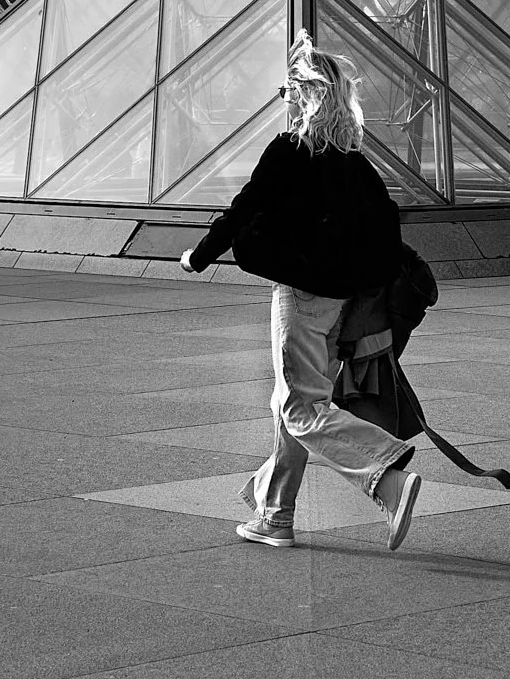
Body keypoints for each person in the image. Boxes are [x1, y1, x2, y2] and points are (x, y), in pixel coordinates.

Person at [179, 33, 422, 553]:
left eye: (288, 91)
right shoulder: (353, 163)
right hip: (342, 303)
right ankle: (275, 516)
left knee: (301, 409)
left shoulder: (292, 151)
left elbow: (244, 207)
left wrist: (199, 255)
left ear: (306, 96)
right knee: (288, 401)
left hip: (302, 296)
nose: (283, 100)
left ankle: (386, 476)